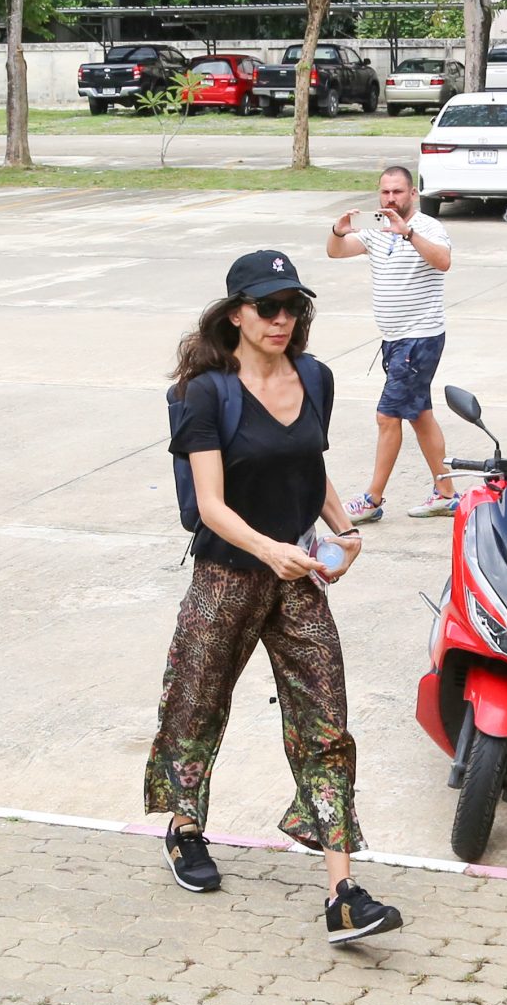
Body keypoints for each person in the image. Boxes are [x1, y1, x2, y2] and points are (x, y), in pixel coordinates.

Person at [147, 250, 404, 947]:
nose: (282, 319)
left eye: (292, 306)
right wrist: (269, 550)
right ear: (237, 314)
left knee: (325, 722)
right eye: (268, 307)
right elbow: (209, 505)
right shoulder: (207, 393)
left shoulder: (314, 377)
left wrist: (343, 531)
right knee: (197, 702)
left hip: (297, 579)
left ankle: (342, 892)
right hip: (229, 573)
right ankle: (184, 828)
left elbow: (310, 460)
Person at [326, 165, 455, 524]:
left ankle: (372, 498)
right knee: (419, 414)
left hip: (420, 336)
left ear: (413, 194)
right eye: (385, 192)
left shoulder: (428, 228)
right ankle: (446, 493)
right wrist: (338, 231)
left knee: (387, 416)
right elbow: (336, 252)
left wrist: (408, 233)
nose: (391, 199)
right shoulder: (376, 232)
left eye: (398, 192)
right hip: (394, 340)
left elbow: (443, 261)